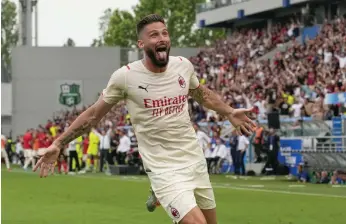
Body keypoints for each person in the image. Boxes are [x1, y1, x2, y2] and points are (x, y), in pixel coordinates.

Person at [34, 14, 255, 224]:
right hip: (163, 169)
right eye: (154, 35)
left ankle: (158, 194)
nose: (162, 39)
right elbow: (93, 115)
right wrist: (58, 143)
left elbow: (201, 94)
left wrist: (228, 111)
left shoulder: (183, 66)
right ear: (141, 44)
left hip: (194, 161)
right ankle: (159, 189)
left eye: (165, 33)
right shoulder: (126, 77)